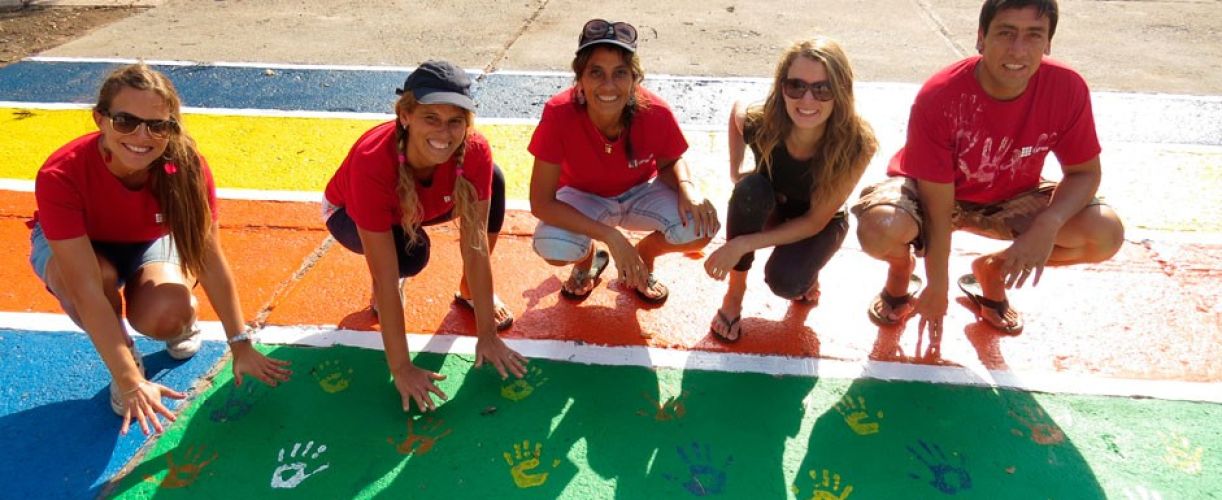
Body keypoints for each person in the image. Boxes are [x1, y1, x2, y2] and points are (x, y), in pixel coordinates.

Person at [29, 63, 292, 436]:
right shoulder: (62, 174)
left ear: (172, 128)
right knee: (84, 284)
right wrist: (129, 379)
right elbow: (88, 290)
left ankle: (181, 313)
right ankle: (125, 360)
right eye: (125, 121)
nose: (141, 135)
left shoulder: (188, 168)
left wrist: (240, 343)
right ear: (100, 119)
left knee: (165, 314)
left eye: (157, 125)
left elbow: (210, 259)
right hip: (84, 246)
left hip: (150, 239)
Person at [851, 0, 1124, 337]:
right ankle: (900, 271)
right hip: (932, 192)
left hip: (1011, 196)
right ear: (981, 38)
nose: (1018, 49)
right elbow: (939, 208)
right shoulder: (940, 96)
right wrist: (938, 284)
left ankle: (993, 270)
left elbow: (1085, 172)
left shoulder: (1067, 87)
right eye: (1006, 33)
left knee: (1106, 234)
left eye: (1033, 35)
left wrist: (1047, 225)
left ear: (1048, 43)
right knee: (879, 230)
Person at [323, 60, 526, 413]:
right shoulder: (373, 162)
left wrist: (487, 337)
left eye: (455, 121)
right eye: (430, 117)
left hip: (425, 203)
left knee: (494, 178)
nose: (443, 132)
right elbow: (385, 278)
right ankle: (401, 268)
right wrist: (401, 368)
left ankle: (471, 293)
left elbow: (475, 247)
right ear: (405, 116)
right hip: (349, 213)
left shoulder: (474, 150)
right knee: (408, 258)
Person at [529, 19, 719, 305]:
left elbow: (670, 163)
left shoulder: (655, 111)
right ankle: (587, 262)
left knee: (701, 226)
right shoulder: (558, 113)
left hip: (641, 191)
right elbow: (541, 203)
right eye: (596, 72)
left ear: (634, 79)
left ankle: (645, 256)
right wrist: (611, 238)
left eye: (620, 73)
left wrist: (688, 188)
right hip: (583, 197)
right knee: (553, 245)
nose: (608, 85)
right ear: (580, 79)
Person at [704, 37, 878, 343]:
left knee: (786, 284)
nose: (807, 100)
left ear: (841, 92)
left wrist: (741, 244)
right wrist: (735, 169)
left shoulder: (857, 143)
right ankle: (734, 295)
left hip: (819, 221)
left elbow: (814, 221)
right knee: (749, 188)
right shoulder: (764, 122)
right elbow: (737, 111)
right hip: (772, 205)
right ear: (782, 87)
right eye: (796, 86)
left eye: (822, 89)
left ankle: (808, 272)